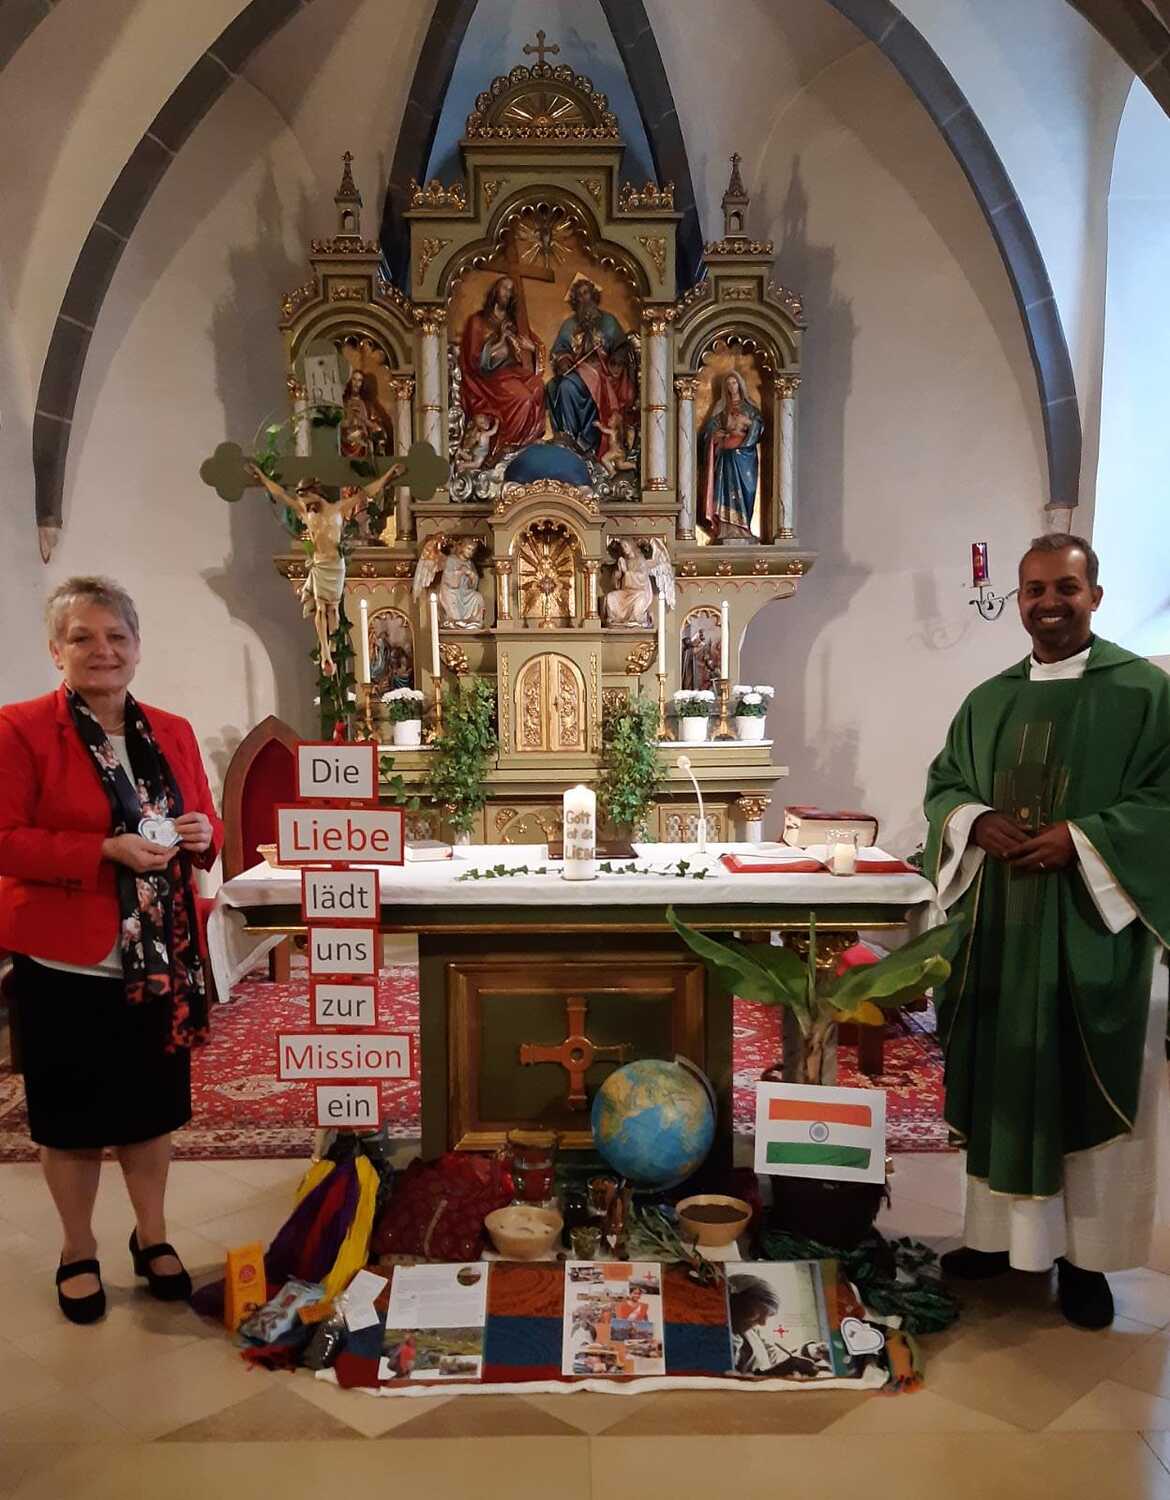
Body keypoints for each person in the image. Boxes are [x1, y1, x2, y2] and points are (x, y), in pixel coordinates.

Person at [923, 535, 1170, 1329]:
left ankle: (1086, 1261)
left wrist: (1085, 839)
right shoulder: (987, 700)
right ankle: (998, 1240)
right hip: (1001, 929)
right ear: (1019, 600)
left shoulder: (1145, 693)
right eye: (1034, 590)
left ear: (1095, 595)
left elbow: (1165, 802)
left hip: (1092, 929)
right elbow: (944, 785)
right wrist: (974, 819)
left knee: (1077, 1078)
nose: (1048, 604)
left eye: (1065, 587)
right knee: (1004, 1075)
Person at [0, 577, 223, 1324]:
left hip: (159, 958)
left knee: (149, 1113)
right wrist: (102, 849)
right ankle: (77, 1248)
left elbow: (205, 822)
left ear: (136, 647)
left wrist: (204, 834)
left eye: (117, 637)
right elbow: (5, 839)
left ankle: (152, 1236)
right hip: (67, 961)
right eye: (83, 638)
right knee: (69, 1120)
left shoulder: (173, 729)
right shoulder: (19, 728)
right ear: (55, 650)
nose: (103, 651)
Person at [546, 275, 636, 462]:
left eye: (586, 293)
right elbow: (560, 350)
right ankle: (568, 435)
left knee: (566, 387)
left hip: (603, 372)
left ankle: (576, 438)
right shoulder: (570, 325)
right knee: (553, 386)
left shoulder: (608, 321)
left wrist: (617, 357)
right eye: (579, 295)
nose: (583, 298)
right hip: (578, 371)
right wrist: (563, 361)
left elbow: (623, 346)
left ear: (594, 295)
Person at [459, 277, 547, 456]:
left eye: (511, 291)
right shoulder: (479, 321)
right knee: (524, 398)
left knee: (538, 385)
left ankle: (529, 441)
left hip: (514, 373)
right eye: (504, 288)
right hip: (489, 377)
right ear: (495, 291)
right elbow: (475, 360)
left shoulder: (514, 323)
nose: (508, 293)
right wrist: (500, 342)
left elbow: (535, 344)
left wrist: (533, 348)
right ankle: (509, 445)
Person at [699, 372, 764, 541]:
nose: (731, 387)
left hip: (745, 458)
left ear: (740, 385)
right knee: (726, 491)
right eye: (728, 384)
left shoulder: (750, 408)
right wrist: (715, 436)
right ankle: (726, 529)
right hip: (726, 457)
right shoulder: (722, 409)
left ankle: (743, 528)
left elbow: (760, 429)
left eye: (734, 383)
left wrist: (749, 426)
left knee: (747, 490)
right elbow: (708, 432)